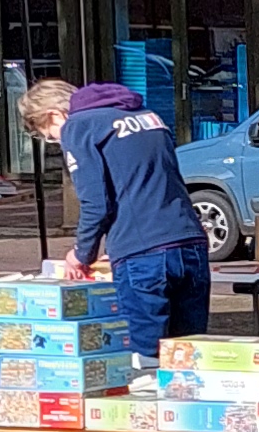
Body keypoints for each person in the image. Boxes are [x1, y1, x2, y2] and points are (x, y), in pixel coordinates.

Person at [26, 72, 212, 361]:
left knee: (143, 359)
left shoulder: (79, 127)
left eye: (50, 135)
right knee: (187, 356)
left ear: (53, 114)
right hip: (190, 242)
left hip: (143, 253)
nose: (55, 142)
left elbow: (96, 203)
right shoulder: (146, 115)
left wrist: (81, 253)